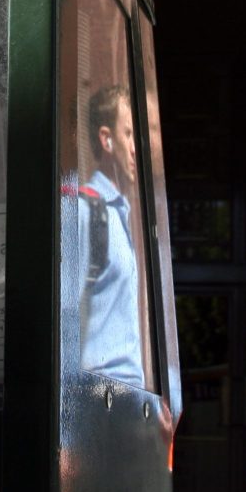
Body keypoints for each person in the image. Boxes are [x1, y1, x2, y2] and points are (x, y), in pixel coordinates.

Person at [73, 84, 144, 388]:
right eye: (128, 134)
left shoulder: (119, 213)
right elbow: (63, 315)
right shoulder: (86, 212)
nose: (135, 147)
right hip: (100, 395)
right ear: (107, 140)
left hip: (124, 400)